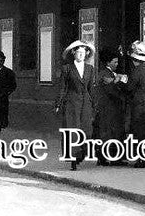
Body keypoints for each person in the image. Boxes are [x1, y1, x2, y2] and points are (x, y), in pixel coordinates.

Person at [55, 41, 96, 171]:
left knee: (87, 130)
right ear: (73, 53)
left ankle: (81, 153)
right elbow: (63, 87)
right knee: (72, 130)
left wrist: (94, 104)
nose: (81, 55)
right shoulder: (67, 68)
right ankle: (73, 159)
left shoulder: (90, 69)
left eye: (83, 53)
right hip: (71, 102)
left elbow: (91, 89)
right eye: (78, 53)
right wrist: (58, 103)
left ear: (86, 54)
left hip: (86, 103)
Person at [91, 48, 129, 165]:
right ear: (108, 62)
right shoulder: (105, 74)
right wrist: (120, 84)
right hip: (109, 108)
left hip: (109, 108)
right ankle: (112, 158)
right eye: (115, 62)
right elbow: (112, 91)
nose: (117, 64)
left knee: (107, 133)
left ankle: (104, 157)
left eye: (117, 62)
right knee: (110, 133)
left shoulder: (109, 74)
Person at [125, 41, 145, 167]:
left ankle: (141, 159)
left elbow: (129, 88)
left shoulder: (136, 71)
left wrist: (121, 82)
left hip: (139, 107)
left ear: (134, 59)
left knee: (139, 132)